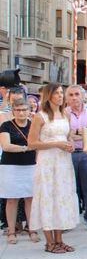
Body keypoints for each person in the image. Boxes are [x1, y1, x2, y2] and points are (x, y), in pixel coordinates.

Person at [28, 83, 79, 253]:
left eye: (61, 93)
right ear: (48, 95)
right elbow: (32, 143)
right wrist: (56, 143)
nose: (60, 96)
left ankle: (59, 239)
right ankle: (49, 242)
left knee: (61, 198)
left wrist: (70, 143)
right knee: (48, 197)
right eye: (56, 93)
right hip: (48, 161)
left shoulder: (65, 114)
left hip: (63, 162)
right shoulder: (40, 116)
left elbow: (68, 135)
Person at [0, 97, 37, 244]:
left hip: (31, 165)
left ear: (29, 111)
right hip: (11, 166)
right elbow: (6, 146)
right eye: (18, 110)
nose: (21, 113)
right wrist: (25, 148)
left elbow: (39, 144)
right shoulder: (6, 126)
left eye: (24, 110)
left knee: (30, 198)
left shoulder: (34, 125)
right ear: (13, 111)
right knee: (12, 199)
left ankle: (32, 229)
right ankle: (11, 231)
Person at [66, 85, 87, 233]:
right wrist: (83, 132)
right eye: (71, 95)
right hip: (68, 154)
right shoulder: (63, 113)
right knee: (69, 189)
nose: (74, 98)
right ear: (67, 98)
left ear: (83, 96)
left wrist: (76, 132)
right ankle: (68, 220)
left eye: (77, 94)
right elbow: (65, 134)